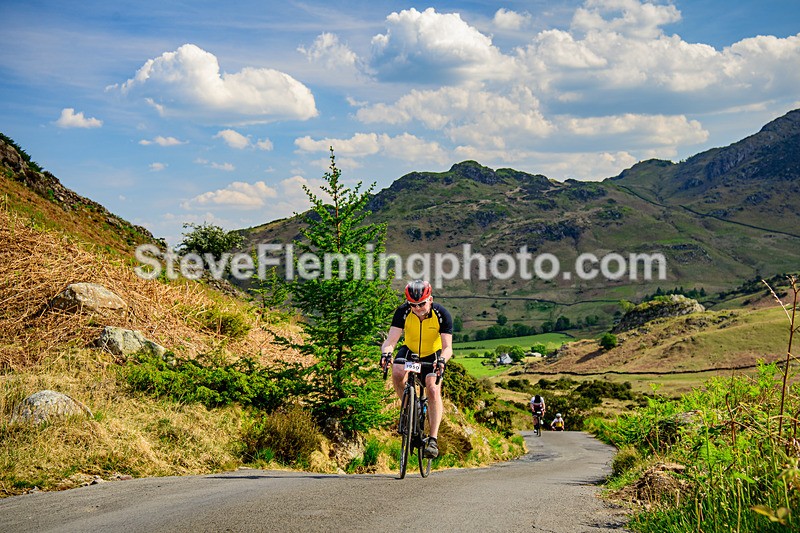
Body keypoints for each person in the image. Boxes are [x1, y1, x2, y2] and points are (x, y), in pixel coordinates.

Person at [380, 280, 453, 459]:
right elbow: (390, 342)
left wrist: (442, 360)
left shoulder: (441, 314)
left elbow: (447, 347)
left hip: (432, 353)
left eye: (422, 304)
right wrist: (386, 355)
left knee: (433, 388)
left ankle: (433, 440)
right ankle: (408, 409)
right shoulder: (403, 312)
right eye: (413, 305)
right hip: (410, 350)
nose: (418, 308)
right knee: (397, 371)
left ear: (430, 299)